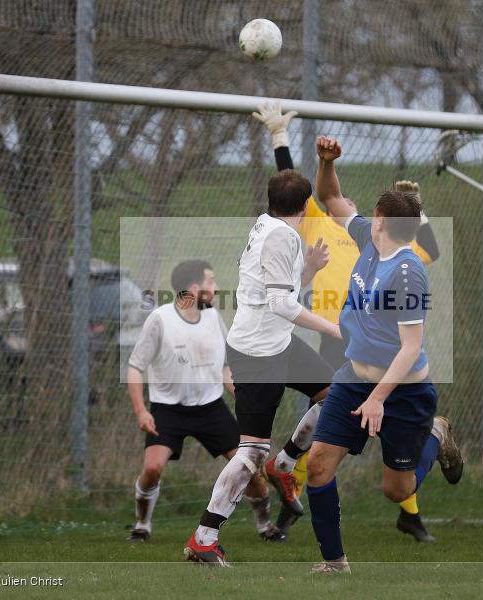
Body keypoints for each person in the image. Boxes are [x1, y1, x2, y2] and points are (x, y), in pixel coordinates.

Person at [252, 101, 462, 543]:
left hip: (395, 370)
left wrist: (417, 208)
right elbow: (312, 193)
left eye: (364, 207)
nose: (350, 204)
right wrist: (300, 149)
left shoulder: (404, 263)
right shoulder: (344, 229)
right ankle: (305, 502)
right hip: (343, 345)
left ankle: (420, 466)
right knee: (327, 432)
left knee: (394, 483)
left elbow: (430, 252)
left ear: (383, 222)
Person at [183, 169, 341, 566]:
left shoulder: (267, 224)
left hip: (278, 343)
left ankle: (286, 463)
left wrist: (310, 271)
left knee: (333, 394)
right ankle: (204, 536)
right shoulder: (282, 236)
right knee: (251, 452)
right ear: (306, 205)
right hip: (257, 353)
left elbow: (278, 290)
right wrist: (335, 329)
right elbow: (283, 305)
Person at [304, 135, 446, 573]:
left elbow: (411, 348)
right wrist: (325, 161)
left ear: (381, 220)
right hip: (353, 379)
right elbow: (328, 196)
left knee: (397, 490)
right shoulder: (369, 237)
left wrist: (379, 398)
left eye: (372, 212)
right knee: (318, 467)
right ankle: (335, 564)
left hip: (402, 392)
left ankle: (435, 434)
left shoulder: (407, 273)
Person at [126, 260, 281, 542]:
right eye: (211, 282)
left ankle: (266, 526)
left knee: (250, 468)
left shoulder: (212, 318)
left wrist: (244, 394)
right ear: (194, 288)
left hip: (211, 409)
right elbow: (135, 366)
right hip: (168, 410)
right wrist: (140, 410)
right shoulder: (160, 319)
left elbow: (223, 367)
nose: (216, 288)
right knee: (152, 469)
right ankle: (142, 525)